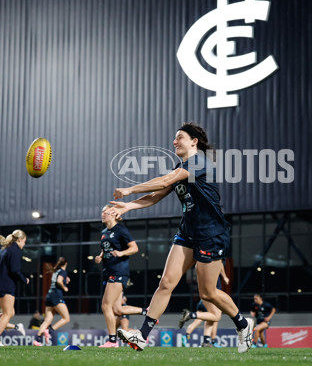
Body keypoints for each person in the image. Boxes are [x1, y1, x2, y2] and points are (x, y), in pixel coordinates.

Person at [110, 122, 254, 353]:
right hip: (187, 233)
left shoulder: (199, 161)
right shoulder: (181, 167)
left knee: (208, 293)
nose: (174, 141)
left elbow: (165, 181)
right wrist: (128, 207)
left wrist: (129, 189)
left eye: (179, 137)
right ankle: (141, 336)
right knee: (166, 282)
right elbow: (156, 195)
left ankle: (244, 325)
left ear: (194, 141)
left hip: (210, 234)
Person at [95, 205, 148, 348]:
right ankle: (147, 312)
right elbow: (106, 247)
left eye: (104, 211)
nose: (102, 214)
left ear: (113, 214)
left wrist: (121, 253)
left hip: (118, 272)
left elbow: (134, 248)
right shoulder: (104, 232)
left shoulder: (121, 229)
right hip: (108, 271)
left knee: (106, 306)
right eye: (102, 211)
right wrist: (100, 256)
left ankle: (112, 341)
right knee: (118, 309)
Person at [0, 230, 30, 346]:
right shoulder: (15, 250)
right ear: (19, 240)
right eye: (24, 242)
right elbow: (15, 270)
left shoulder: (3, 249)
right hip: (6, 286)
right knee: (8, 313)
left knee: (10, 312)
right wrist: (25, 280)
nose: (24, 244)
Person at [179, 265, 230, 347]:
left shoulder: (204, 270)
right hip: (212, 298)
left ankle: (187, 336)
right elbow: (220, 264)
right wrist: (224, 276)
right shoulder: (214, 270)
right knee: (215, 318)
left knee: (199, 321)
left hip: (202, 300)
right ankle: (213, 341)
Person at [33, 257, 72, 346]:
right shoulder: (62, 271)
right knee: (66, 318)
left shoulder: (56, 271)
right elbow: (59, 281)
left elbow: (58, 279)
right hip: (56, 296)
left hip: (49, 295)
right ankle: (49, 330)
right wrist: (64, 287)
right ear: (66, 263)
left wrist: (66, 279)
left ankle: (37, 340)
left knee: (47, 320)